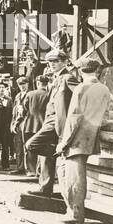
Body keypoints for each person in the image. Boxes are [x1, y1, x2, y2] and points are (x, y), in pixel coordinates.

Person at [57, 59, 112, 223]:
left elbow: (74, 118)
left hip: (77, 139)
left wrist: (64, 142)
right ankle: (76, 212)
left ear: (80, 71)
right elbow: (105, 117)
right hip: (91, 137)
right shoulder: (104, 89)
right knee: (78, 175)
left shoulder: (81, 88)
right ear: (97, 70)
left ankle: (75, 214)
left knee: (73, 177)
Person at [23, 51, 76, 197]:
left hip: (56, 123)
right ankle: (45, 189)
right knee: (44, 158)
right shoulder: (55, 79)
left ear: (65, 62)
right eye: (50, 62)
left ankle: (58, 153)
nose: (52, 64)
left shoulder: (68, 78)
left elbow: (79, 96)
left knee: (31, 145)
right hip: (48, 121)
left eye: (56, 61)